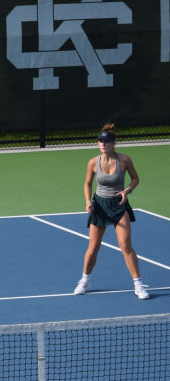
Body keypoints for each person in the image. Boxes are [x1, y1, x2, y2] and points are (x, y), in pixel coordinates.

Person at [73, 124, 150, 299]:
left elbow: (136, 178)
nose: (102, 144)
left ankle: (138, 285)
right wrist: (87, 201)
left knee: (126, 246)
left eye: (106, 141)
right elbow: (87, 183)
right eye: (100, 141)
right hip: (99, 206)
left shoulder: (124, 160)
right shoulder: (93, 162)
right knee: (93, 247)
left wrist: (126, 191)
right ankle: (85, 280)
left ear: (113, 143)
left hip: (118, 205)